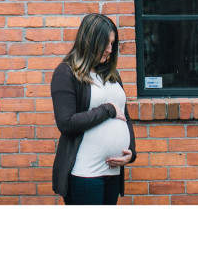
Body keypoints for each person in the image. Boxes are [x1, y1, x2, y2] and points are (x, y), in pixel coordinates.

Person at [51, 12, 136, 205]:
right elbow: (66, 123)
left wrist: (131, 152)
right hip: (84, 173)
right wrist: (107, 110)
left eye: (112, 44)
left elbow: (125, 116)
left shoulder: (112, 75)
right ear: (89, 42)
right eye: (105, 44)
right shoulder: (66, 73)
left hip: (112, 172)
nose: (109, 49)